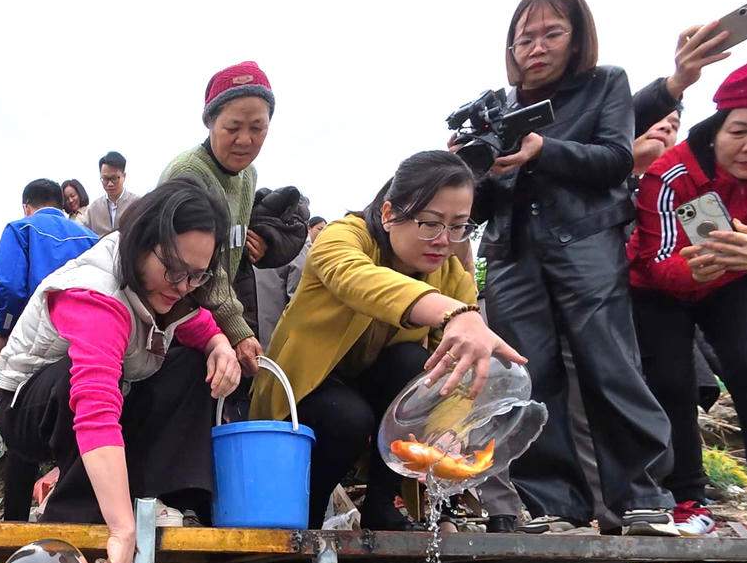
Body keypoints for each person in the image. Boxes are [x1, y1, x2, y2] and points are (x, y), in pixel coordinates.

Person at [471, 0, 676, 536]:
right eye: (524, 39)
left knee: (610, 365)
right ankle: (551, 503)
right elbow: (481, 205)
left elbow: (615, 159)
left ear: (576, 36)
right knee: (528, 378)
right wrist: (471, 169)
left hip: (585, 243)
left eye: (551, 34)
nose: (535, 48)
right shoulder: (499, 106)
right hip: (512, 251)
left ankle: (643, 496)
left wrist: (545, 149)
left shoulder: (606, 84)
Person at [252, 151, 525, 531]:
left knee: (415, 362)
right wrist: (457, 314)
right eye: (430, 224)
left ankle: (382, 508)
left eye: (459, 227)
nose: (444, 241)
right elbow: (361, 281)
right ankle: (304, 517)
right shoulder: (343, 238)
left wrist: (447, 431)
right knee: (347, 416)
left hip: (378, 393)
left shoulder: (452, 277)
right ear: (387, 214)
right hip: (305, 393)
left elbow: (452, 373)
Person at [0, 180, 241, 563]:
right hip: (29, 408)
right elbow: (96, 408)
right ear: (142, 241)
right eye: (175, 270)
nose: (181, 286)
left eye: (196, 276)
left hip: (102, 400)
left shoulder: (168, 288)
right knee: (80, 375)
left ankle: (154, 497)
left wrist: (220, 345)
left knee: (191, 364)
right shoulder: (96, 293)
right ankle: (78, 508)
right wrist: (123, 531)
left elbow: (194, 321)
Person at [628, 60, 747, 536]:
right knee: (672, 380)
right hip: (658, 288)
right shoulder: (670, 172)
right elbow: (657, 257)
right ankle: (688, 499)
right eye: (740, 131)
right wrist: (695, 267)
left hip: (736, 278)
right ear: (717, 125)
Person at [0, 178, 100, 519]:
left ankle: (15, 522)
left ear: (27, 206)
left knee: (20, 422)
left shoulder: (20, 229)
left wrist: (4, 331)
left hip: (34, 343)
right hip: (83, 345)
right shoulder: (91, 238)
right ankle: (70, 517)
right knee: (80, 429)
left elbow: (11, 288)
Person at [160, 61, 275, 376]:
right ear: (210, 122)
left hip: (216, 309)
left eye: (257, 128)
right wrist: (237, 328)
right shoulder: (190, 173)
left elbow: (229, 249)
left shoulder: (247, 175)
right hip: (179, 311)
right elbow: (198, 266)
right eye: (233, 127)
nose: (244, 140)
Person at [252, 206, 323, 348]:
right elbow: (298, 301)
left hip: (248, 333)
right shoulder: (296, 249)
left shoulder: (255, 239)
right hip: (275, 339)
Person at [84, 152, 140, 237]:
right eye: (105, 179)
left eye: (114, 178)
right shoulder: (93, 208)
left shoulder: (137, 204)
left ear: (124, 176)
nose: (110, 184)